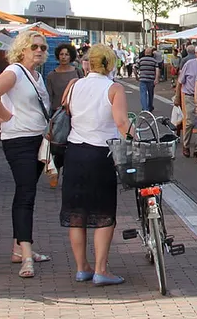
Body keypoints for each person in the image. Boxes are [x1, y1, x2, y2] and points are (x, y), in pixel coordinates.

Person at [0, 31, 52, 278]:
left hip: (36, 139)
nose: (40, 50)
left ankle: (18, 249)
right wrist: (6, 115)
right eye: (34, 46)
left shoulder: (36, 75)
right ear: (22, 48)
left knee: (26, 191)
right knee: (26, 193)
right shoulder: (14, 72)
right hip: (18, 140)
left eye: (43, 47)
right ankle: (26, 254)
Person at [61, 44, 133, 285]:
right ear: (110, 64)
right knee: (103, 212)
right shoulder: (114, 88)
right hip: (101, 154)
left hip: (74, 152)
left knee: (76, 213)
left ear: (88, 63)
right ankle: (101, 269)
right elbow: (122, 122)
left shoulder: (73, 86)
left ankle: (82, 267)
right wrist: (140, 137)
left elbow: (67, 112)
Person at [45, 44, 84, 188]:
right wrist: (50, 118)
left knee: (73, 145)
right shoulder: (51, 75)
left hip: (75, 113)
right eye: (61, 54)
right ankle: (55, 172)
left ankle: (69, 175)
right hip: (58, 114)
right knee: (59, 146)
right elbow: (48, 97)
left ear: (71, 56)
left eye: (67, 54)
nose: (64, 57)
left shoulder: (78, 72)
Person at [175, 44, 197, 157]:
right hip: (189, 96)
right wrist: (177, 97)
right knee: (190, 122)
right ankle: (186, 145)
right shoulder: (189, 64)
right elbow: (180, 82)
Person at [135, 47, 159, 112]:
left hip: (142, 79)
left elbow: (135, 68)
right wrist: (156, 78)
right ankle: (150, 106)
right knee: (151, 93)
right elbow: (157, 69)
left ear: (145, 53)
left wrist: (136, 76)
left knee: (143, 93)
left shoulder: (141, 60)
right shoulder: (154, 61)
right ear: (151, 53)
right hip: (151, 79)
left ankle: (145, 108)